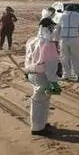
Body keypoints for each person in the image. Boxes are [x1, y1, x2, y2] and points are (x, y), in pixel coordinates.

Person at [25, 8, 61, 136]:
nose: (54, 30)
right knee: (41, 101)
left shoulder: (33, 41)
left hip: (33, 74)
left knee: (40, 100)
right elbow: (50, 67)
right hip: (43, 75)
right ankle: (38, 128)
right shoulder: (49, 45)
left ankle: (41, 123)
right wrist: (54, 82)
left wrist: (27, 72)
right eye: (52, 28)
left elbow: (28, 59)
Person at [56, 4, 79, 82]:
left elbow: (58, 28)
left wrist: (55, 39)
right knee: (76, 57)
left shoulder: (62, 16)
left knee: (64, 58)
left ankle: (66, 75)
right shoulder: (77, 15)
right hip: (74, 39)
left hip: (63, 40)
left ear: (66, 10)